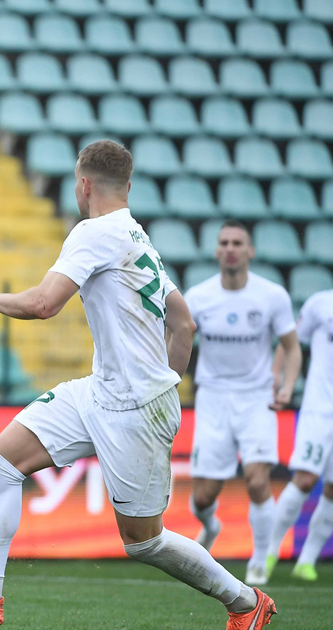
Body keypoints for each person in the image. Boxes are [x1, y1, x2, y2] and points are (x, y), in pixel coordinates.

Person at [0, 140, 276, 630]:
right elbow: (184, 323)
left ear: (83, 185)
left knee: (144, 542)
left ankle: (245, 601)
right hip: (101, 391)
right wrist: (167, 383)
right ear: (127, 186)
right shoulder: (137, 237)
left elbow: (44, 304)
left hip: (135, 408)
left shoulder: (93, 232)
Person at [183, 220, 301, 586]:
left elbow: (292, 347)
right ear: (216, 251)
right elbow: (177, 341)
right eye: (224, 243)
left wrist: (287, 386)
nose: (230, 248)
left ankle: (260, 559)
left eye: (237, 243)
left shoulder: (272, 296)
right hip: (212, 398)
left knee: (257, 480)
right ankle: (211, 525)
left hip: (256, 398)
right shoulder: (198, 297)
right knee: (203, 496)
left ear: (250, 251)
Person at [266, 288, 333, 582]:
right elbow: (289, 340)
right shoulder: (322, 303)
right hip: (320, 408)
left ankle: (306, 561)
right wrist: (277, 374)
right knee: (305, 479)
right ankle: (268, 552)